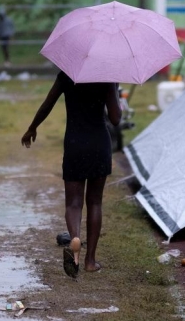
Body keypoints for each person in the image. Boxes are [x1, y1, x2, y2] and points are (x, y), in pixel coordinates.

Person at [21, 71, 121, 277]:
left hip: (75, 143)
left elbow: (48, 103)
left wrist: (32, 127)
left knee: (73, 203)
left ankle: (75, 238)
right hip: (99, 144)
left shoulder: (68, 73)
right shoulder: (107, 75)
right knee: (95, 202)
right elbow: (116, 118)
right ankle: (90, 261)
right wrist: (114, 88)